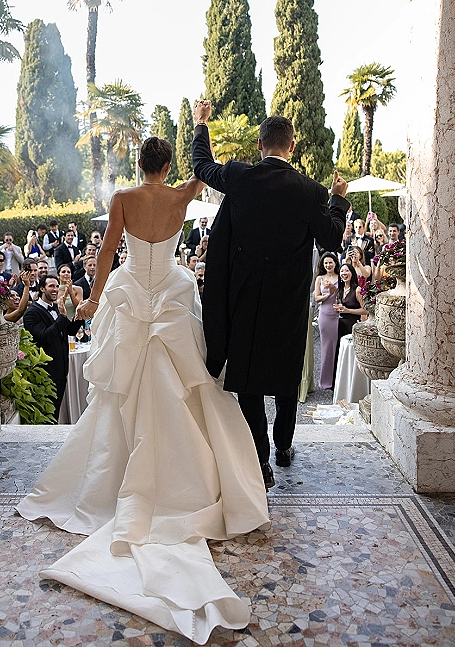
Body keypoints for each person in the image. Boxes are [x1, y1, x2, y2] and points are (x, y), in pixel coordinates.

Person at [17, 136, 270, 643]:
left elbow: (109, 250)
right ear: (169, 164)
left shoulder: (122, 200)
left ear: (138, 164)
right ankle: (191, 481)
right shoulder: (181, 196)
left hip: (133, 294)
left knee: (116, 396)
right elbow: (208, 171)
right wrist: (202, 131)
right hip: (171, 296)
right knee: (192, 390)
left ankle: (116, 485)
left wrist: (91, 302)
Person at [192, 103, 349, 488]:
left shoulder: (240, 177)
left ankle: (260, 458)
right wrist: (338, 200)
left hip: (245, 301)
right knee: (284, 378)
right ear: (291, 147)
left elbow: (202, 166)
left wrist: (200, 125)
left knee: (247, 381)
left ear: (260, 145)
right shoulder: (309, 191)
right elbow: (331, 237)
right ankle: (283, 446)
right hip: (289, 305)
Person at [22, 274, 82, 419]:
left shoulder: (56, 307)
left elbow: (71, 331)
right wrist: (62, 317)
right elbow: (45, 337)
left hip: (61, 370)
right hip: (46, 373)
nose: (55, 289)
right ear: (42, 288)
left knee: (56, 412)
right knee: (48, 413)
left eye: (56, 286)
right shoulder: (32, 313)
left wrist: (80, 315)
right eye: (51, 286)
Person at [314, 252, 340, 390]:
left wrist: (333, 289)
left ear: (335, 263)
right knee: (325, 347)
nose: (328, 265)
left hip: (337, 313)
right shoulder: (320, 278)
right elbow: (316, 298)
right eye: (326, 263)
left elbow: (341, 294)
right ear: (323, 265)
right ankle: (325, 381)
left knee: (336, 347)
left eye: (330, 262)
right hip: (324, 314)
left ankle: (336, 379)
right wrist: (327, 295)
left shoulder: (340, 277)